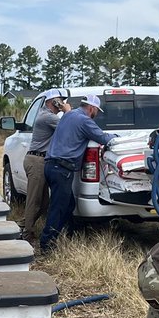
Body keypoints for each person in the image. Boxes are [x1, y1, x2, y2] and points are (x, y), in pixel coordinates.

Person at [39, 94, 119, 252]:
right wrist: (118, 138)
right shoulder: (85, 121)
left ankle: (68, 235)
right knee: (58, 207)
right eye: (97, 111)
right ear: (92, 108)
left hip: (50, 166)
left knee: (68, 205)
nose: (96, 114)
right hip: (62, 169)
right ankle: (46, 245)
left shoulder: (69, 115)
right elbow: (103, 138)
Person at [22, 92, 70, 246]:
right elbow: (68, 126)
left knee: (43, 203)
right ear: (53, 102)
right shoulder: (48, 117)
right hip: (37, 161)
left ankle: (23, 225)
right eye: (60, 101)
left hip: (38, 160)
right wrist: (67, 110)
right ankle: (26, 234)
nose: (62, 103)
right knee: (33, 201)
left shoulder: (45, 115)